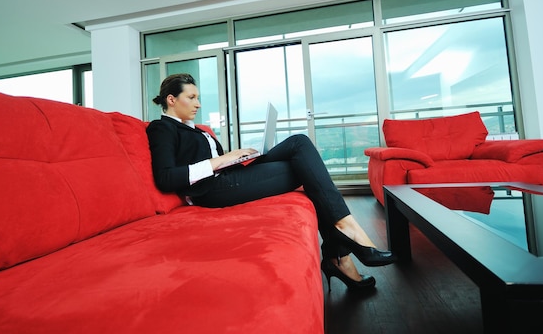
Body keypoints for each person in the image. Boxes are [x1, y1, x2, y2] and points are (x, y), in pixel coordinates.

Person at [146, 73, 396, 291]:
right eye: (191, 98)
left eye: (198, 97)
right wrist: (221, 160)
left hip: (228, 176)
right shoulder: (162, 128)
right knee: (304, 170)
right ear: (171, 99)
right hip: (212, 190)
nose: (198, 103)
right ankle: (345, 241)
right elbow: (166, 177)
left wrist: (237, 156)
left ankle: (341, 248)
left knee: (299, 143)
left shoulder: (198, 129)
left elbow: (208, 159)